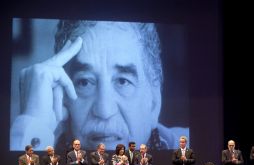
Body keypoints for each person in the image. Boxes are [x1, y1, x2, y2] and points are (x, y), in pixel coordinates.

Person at [10, 19, 189, 151]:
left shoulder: (193, 152)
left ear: (154, 103)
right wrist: (33, 124)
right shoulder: (44, 149)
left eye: (122, 81)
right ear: (62, 100)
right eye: (85, 82)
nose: (104, 110)